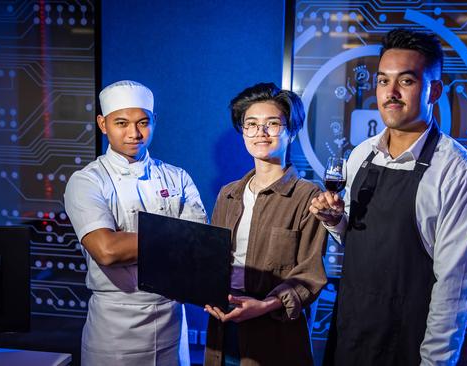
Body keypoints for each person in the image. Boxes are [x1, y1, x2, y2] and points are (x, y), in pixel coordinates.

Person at [309, 29, 467, 365]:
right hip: (352, 330)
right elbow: (361, 240)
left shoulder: (458, 173)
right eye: (382, 81)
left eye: (406, 81)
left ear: (434, 90)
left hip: (408, 345)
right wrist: (336, 221)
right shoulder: (362, 154)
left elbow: (455, 291)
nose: (390, 93)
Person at [64, 80, 206, 365]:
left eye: (143, 122)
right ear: (103, 124)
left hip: (172, 321)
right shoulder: (87, 181)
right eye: (121, 123)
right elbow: (107, 250)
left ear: (154, 121)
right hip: (115, 328)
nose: (134, 133)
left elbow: (200, 246)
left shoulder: (177, 177)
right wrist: (180, 238)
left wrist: (130, 241)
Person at [203, 82, 327, 366]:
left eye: (272, 124)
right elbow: (212, 258)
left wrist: (265, 305)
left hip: (275, 329)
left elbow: (310, 275)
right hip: (224, 323)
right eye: (251, 124)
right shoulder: (229, 193)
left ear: (291, 131)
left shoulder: (308, 196)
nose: (261, 133)